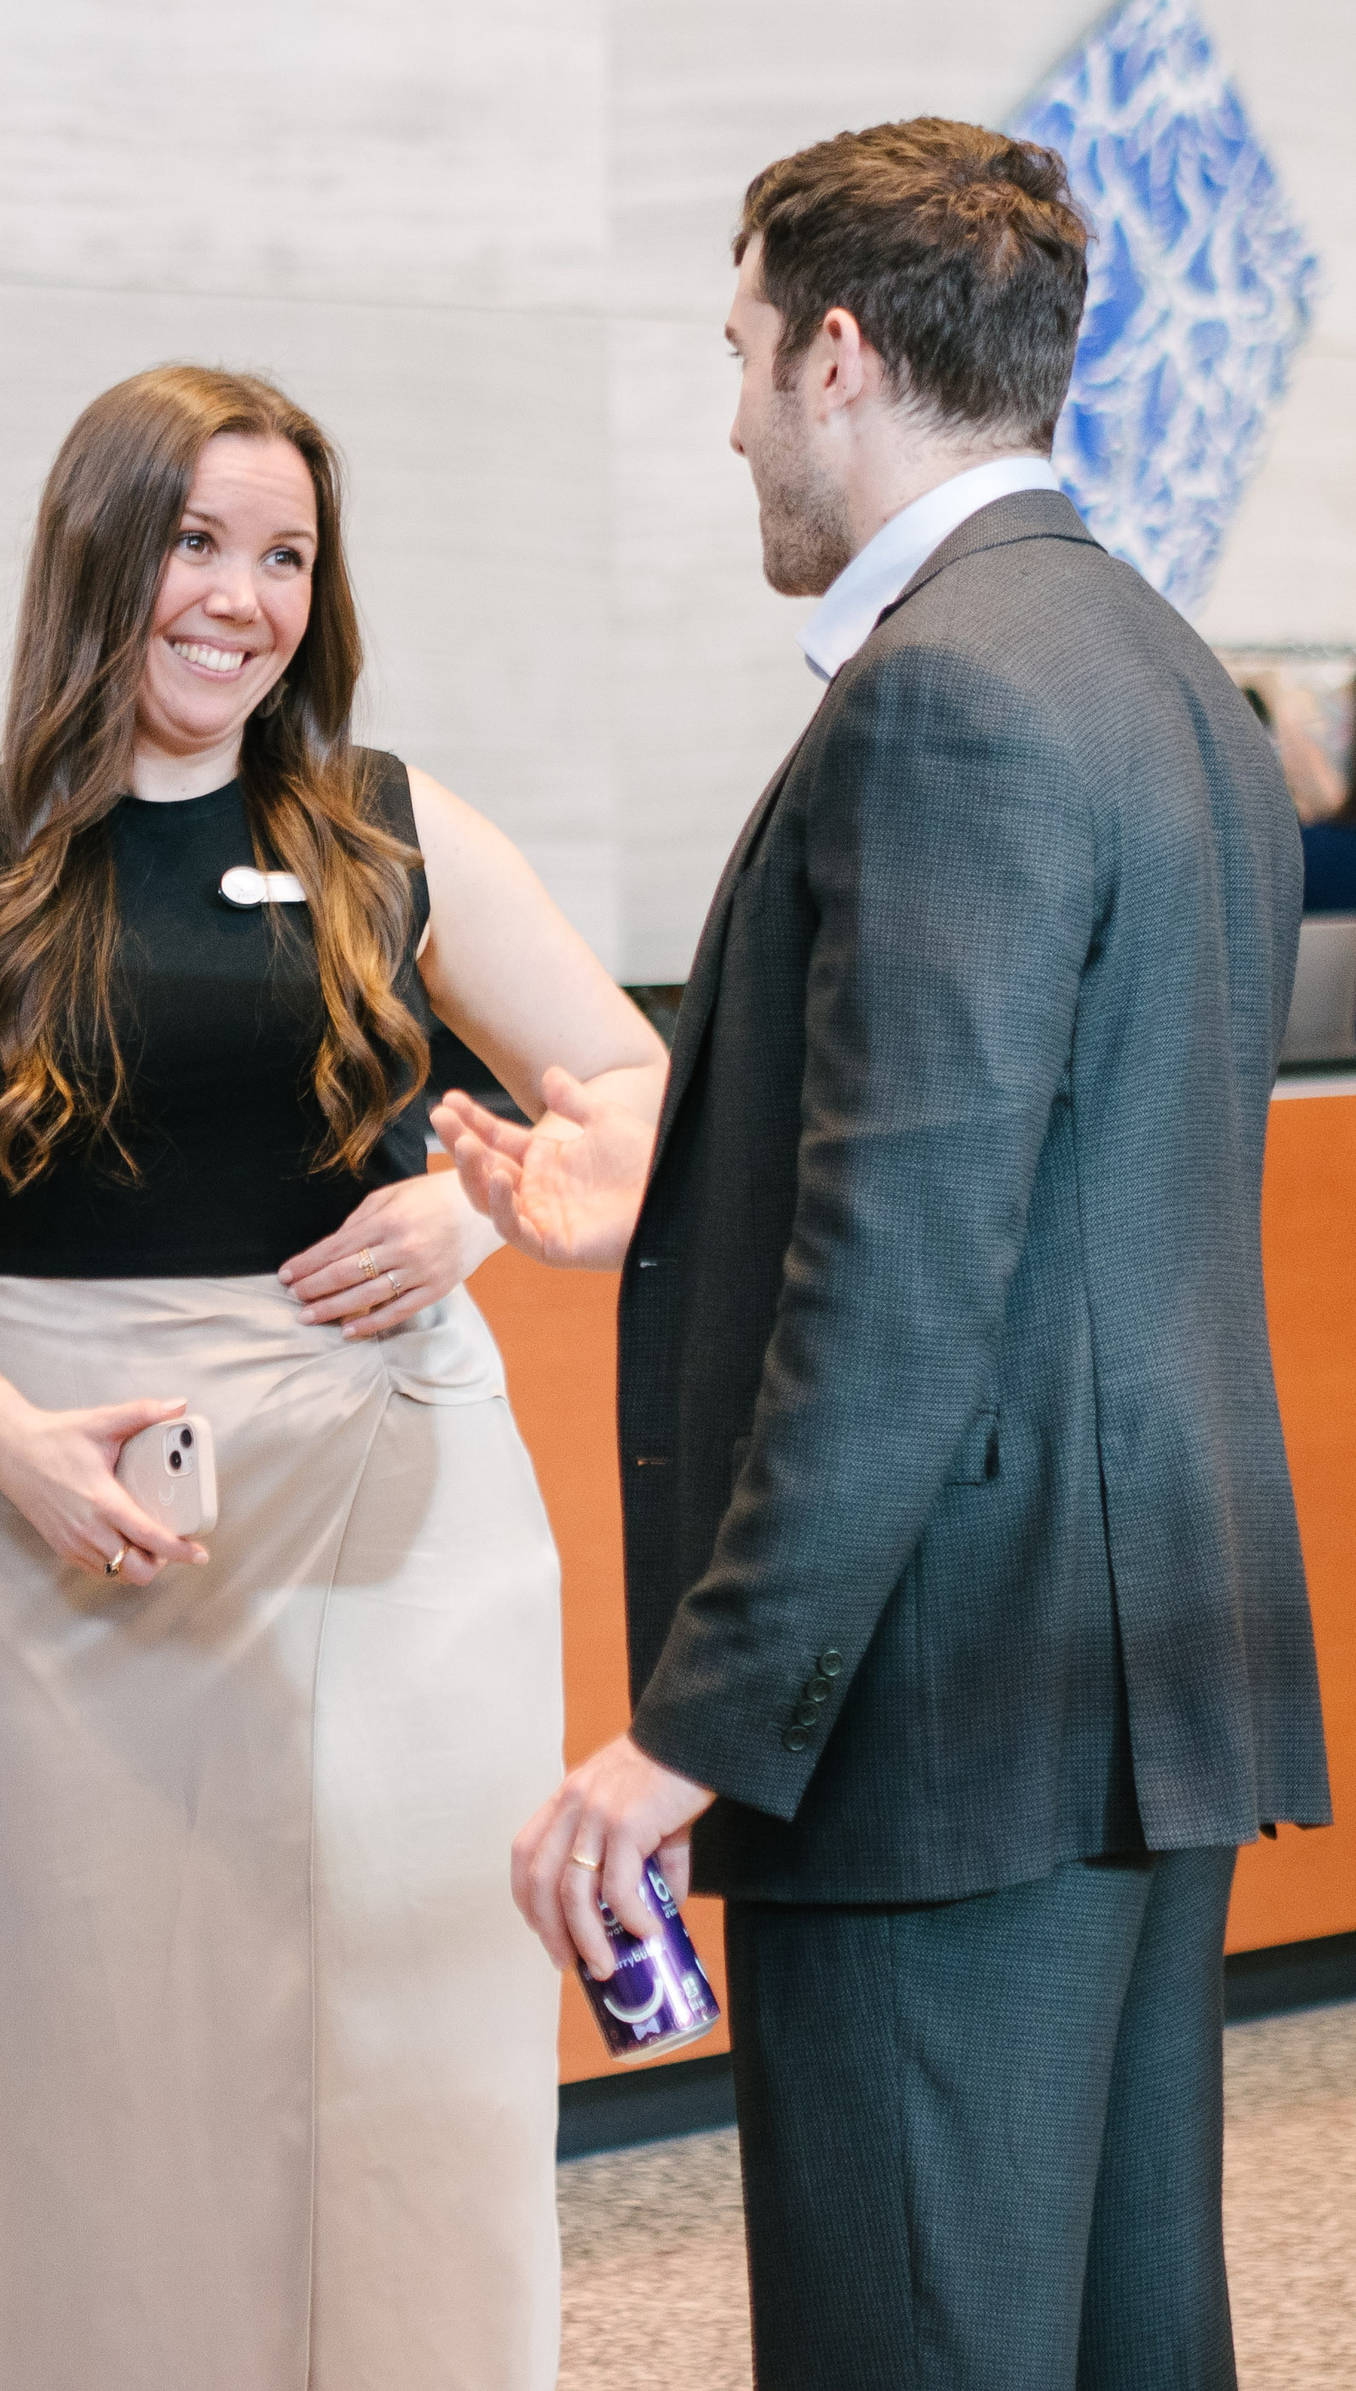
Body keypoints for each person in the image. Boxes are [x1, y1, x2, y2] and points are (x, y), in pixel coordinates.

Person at [442, 122, 1331, 2386]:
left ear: (834, 353)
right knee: (1122, 2329)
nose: (728, 411)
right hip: (1136, 1673)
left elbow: (905, 1268)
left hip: (940, 1715)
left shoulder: (940, 691)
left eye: (739, 353)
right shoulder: (1158, 670)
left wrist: (694, 1724)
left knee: (915, 2337)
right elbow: (1042, 1185)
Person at [0, 364, 666, 2389]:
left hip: (398, 1501)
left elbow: (627, 1075)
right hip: (74, 1515)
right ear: (101, 551)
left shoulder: (388, 822)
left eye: (281, 553)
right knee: (99, 2044)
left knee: (408, 2029)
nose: (240, 595)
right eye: (197, 539)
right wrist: (7, 1441)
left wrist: (472, 1211)